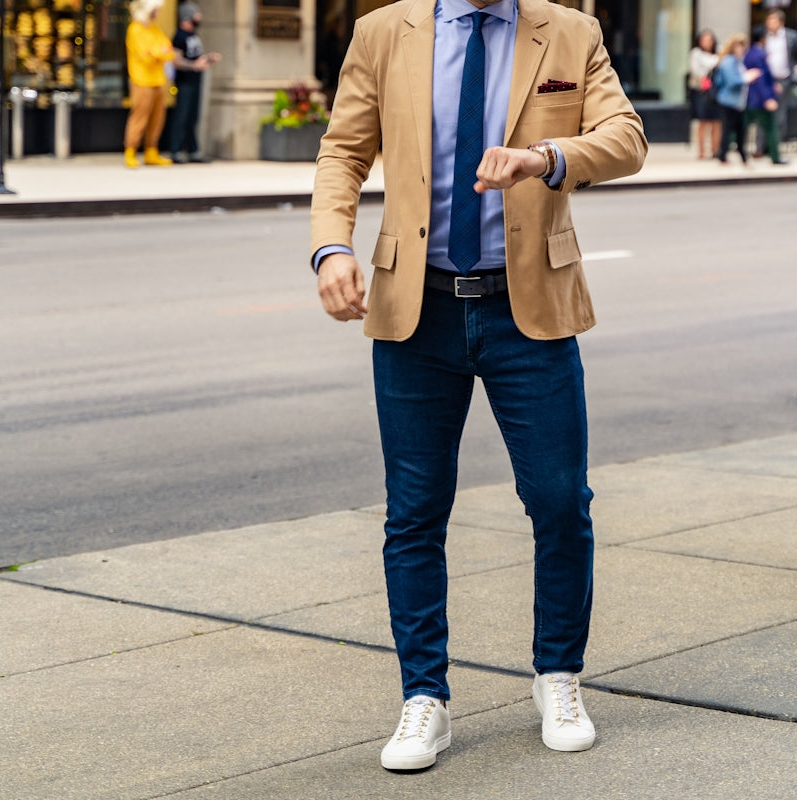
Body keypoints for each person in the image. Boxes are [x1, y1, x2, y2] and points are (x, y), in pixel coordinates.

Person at [309, 0, 647, 772]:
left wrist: (545, 158)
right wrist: (332, 247)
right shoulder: (382, 33)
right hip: (414, 310)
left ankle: (558, 676)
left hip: (529, 310)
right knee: (415, 512)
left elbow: (626, 139)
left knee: (561, 502)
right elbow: (343, 154)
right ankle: (424, 696)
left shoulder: (571, 31)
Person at [123, 0, 175, 168]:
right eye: (155, 10)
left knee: (157, 118)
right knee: (139, 117)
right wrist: (159, 53)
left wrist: (157, 54)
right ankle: (130, 151)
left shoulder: (154, 29)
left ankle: (151, 151)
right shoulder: (135, 29)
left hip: (157, 80)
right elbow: (146, 55)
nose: (157, 14)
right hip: (141, 80)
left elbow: (168, 50)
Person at [169, 2, 221, 164]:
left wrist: (208, 58)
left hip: (196, 81)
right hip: (184, 83)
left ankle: (193, 151)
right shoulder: (179, 36)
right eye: (196, 14)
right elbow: (176, 61)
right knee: (182, 117)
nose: (200, 17)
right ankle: (176, 150)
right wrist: (193, 66)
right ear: (187, 17)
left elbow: (196, 57)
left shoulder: (194, 36)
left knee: (193, 118)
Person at [760, 9, 797, 158]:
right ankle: (761, 147)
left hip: (784, 79)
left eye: (773, 20)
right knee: (763, 113)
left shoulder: (791, 36)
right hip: (766, 80)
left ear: (781, 22)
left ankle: (775, 147)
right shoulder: (764, 38)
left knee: (779, 115)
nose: (769, 23)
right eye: (768, 20)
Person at [712, 34, 759, 166]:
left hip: (738, 102)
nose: (741, 49)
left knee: (740, 130)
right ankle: (723, 155)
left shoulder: (738, 61)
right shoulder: (728, 61)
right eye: (738, 46)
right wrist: (747, 77)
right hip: (728, 101)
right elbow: (732, 81)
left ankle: (742, 155)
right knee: (728, 129)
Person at [745, 26, 786, 166]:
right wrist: (768, 98)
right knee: (771, 128)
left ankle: (727, 153)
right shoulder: (759, 55)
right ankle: (775, 157)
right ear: (763, 38)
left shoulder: (749, 53)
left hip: (750, 99)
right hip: (760, 100)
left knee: (742, 127)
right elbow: (761, 80)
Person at [688, 30, 721, 160]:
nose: (707, 42)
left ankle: (715, 149)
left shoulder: (718, 52)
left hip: (716, 90)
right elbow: (696, 71)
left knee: (716, 121)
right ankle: (701, 150)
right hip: (701, 90)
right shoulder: (696, 53)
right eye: (704, 39)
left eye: (710, 40)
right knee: (703, 121)